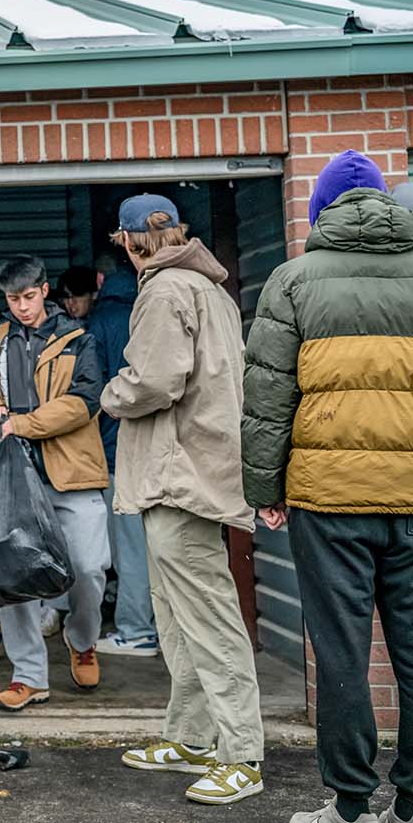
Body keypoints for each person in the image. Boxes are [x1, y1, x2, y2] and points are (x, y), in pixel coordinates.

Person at [242, 151, 413, 823]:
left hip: (328, 502)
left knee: (340, 652)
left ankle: (349, 806)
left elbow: (267, 401)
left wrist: (266, 490)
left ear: (319, 213)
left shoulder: (291, 281)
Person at [101, 194, 265, 806]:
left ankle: (241, 754)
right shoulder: (206, 287)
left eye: (123, 239)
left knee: (209, 617)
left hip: (180, 475)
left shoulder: (166, 289)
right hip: (195, 470)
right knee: (177, 615)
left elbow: (155, 381)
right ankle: (192, 737)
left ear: (132, 238)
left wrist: (110, 395)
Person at [0, 255, 110, 712]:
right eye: (12, 299)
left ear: (44, 290)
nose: (21, 307)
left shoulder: (78, 337)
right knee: (10, 573)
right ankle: (28, 676)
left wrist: (23, 424)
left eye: (27, 296)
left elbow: (86, 401)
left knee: (88, 567)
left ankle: (82, 640)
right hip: (8, 474)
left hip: (72, 471)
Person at [87, 251, 158, 658]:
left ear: (99, 280)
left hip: (117, 451)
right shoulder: (149, 311)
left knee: (129, 546)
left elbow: (93, 393)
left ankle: (135, 630)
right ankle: (162, 629)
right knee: (158, 544)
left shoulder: (99, 323)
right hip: (159, 449)